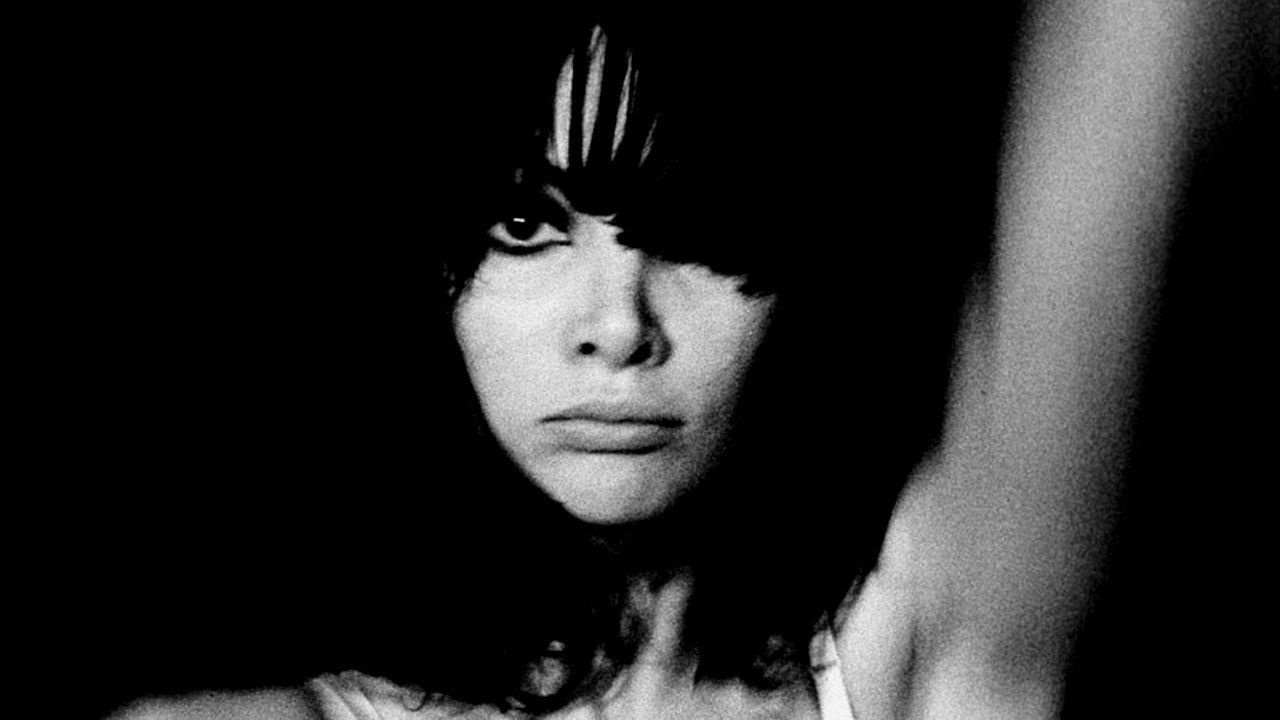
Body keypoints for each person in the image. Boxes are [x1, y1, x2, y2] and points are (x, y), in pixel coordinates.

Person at [113, 2, 1266, 718]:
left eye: (695, 232)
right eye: (526, 227)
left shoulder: (909, 656)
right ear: (430, 271)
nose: (617, 325)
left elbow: (1126, 112)